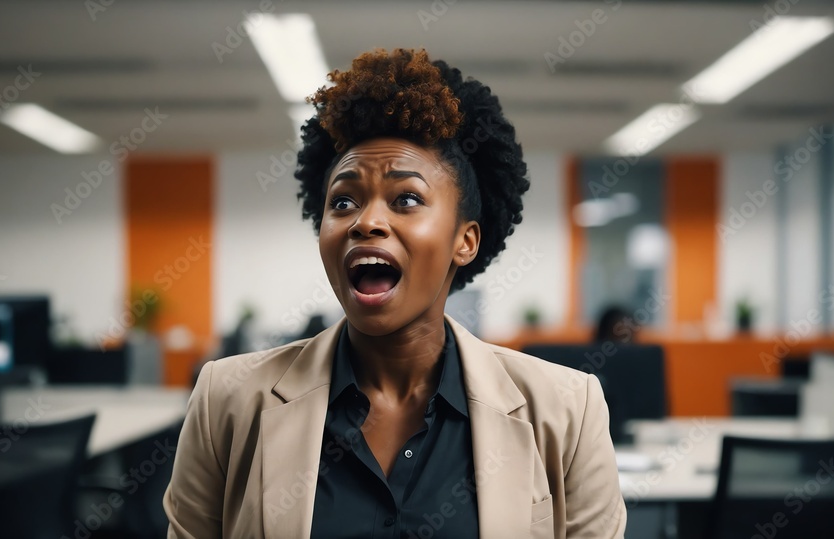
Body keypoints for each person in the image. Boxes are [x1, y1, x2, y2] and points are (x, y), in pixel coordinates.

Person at [163, 48, 626, 538]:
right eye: (343, 201)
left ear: (464, 241)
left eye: (406, 199)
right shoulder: (227, 402)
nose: (366, 221)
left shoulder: (567, 410)